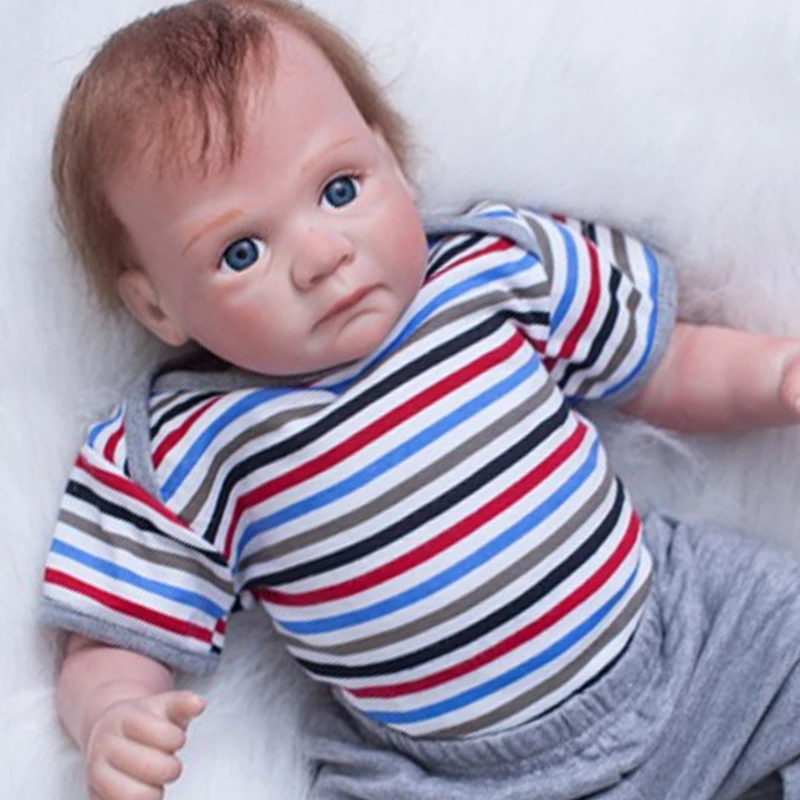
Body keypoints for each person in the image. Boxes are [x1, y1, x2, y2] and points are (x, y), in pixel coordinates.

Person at [41, 1, 800, 798]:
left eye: (339, 189)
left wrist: (771, 375)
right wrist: (113, 716)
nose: (321, 256)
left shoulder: (494, 268)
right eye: (241, 251)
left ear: (393, 164)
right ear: (157, 306)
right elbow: (112, 639)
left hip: (690, 644)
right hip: (451, 774)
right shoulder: (184, 446)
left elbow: (662, 363)